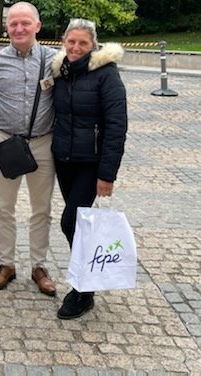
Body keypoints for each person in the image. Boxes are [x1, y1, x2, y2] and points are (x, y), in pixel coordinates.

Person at [51, 18, 127, 319]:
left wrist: (107, 175)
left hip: (90, 164)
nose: (76, 47)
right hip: (64, 160)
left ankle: (83, 290)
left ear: (93, 45)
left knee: (70, 222)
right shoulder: (61, 71)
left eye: (83, 43)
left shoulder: (106, 75)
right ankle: (86, 284)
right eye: (71, 41)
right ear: (64, 42)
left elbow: (116, 126)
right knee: (79, 225)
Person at [0, 2, 58, 296]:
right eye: (13, 24)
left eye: (25, 23)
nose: (19, 29)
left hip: (43, 143)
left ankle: (39, 266)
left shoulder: (54, 60)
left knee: (42, 209)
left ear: (37, 26)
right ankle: (6, 264)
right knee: (4, 208)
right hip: (7, 143)